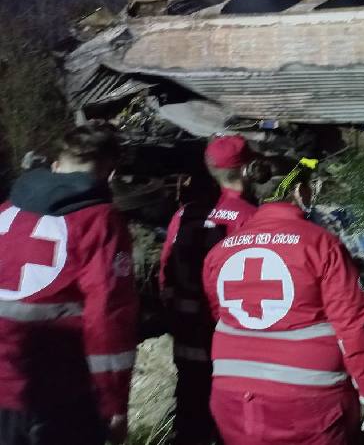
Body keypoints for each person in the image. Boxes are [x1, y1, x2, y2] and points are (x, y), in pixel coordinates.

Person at [202, 160, 364, 445]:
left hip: (232, 398)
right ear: (299, 191)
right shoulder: (322, 244)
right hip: (309, 401)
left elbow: (219, 314)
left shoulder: (219, 252)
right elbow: (352, 322)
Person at [0, 122, 138, 445]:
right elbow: (108, 318)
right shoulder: (101, 222)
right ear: (111, 176)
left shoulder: (6, 211)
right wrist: (114, 403)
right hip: (60, 396)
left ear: (56, 165)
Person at [159, 135, 259, 445]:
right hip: (230, 333)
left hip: (187, 329)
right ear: (247, 170)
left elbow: (164, 272)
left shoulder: (184, 214)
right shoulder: (251, 218)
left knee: (190, 400)